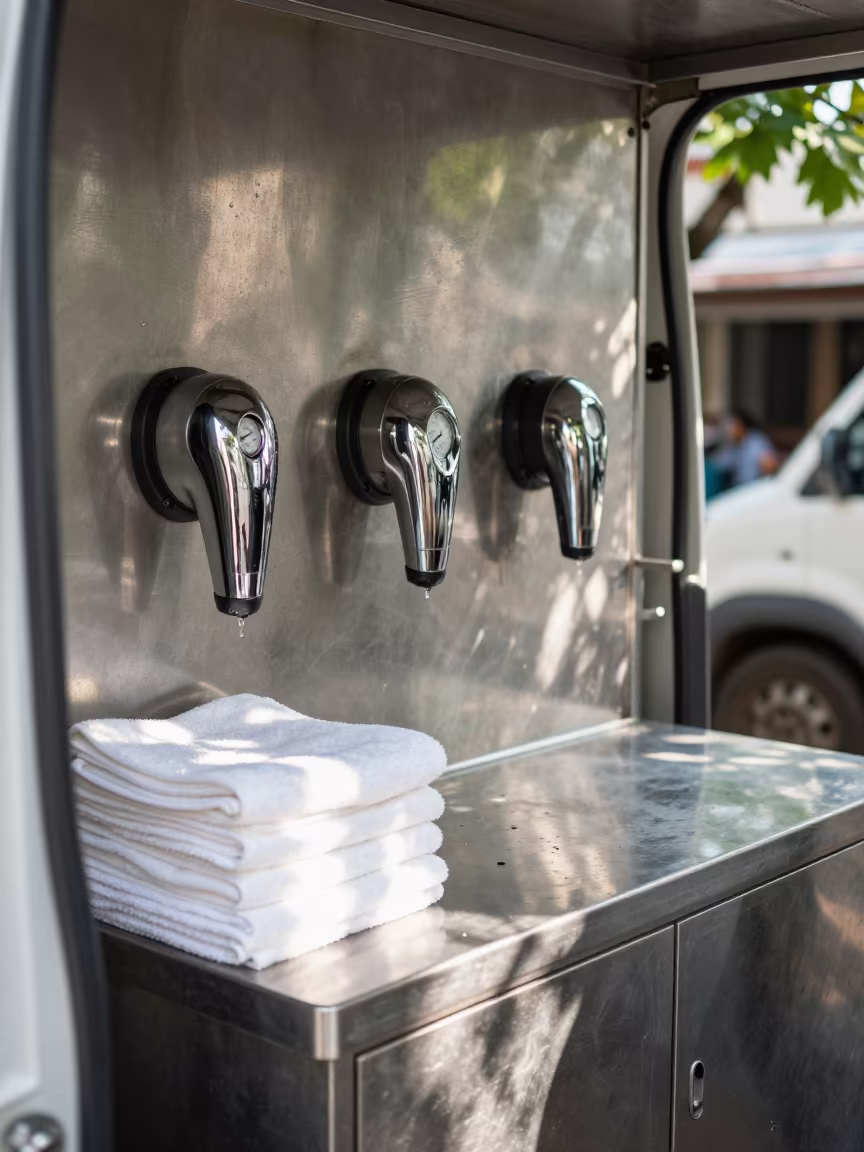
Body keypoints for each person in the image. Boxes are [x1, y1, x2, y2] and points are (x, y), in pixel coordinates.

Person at [712, 409, 778, 489]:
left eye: (733, 426)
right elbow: (719, 464)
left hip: (754, 489)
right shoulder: (733, 445)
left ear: (741, 426)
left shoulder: (756, 442)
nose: (730, 430)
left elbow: (769, 466)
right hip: (737, 489)